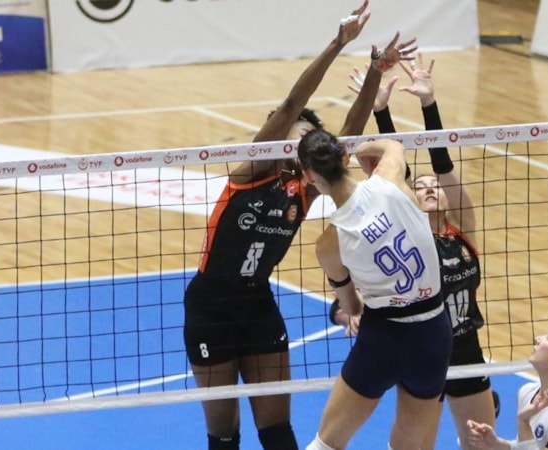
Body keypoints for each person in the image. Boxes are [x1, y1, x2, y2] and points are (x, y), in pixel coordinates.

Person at [182, 3, 410, 449]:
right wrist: (337, 43)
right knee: (224, 434)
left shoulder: (305, 188)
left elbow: (349, 130)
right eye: (290, 130)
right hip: (210, 308)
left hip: (257, 305)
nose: (294, 135)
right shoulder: (251, 172)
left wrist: (374, 71)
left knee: (277, 431)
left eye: (304, 135)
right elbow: (291, 105)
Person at [337, 54, 499, 449]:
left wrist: (429, 102)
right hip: (425, 346)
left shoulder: (462, 231)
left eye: (434, 186)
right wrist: (381, 112)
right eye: (420, 186)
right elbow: (396, 175)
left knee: (482, 443)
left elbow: (443, 166)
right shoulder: (407, 234)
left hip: (466, 347)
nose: (428, 188)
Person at [298, 133, 452, 450]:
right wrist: (360, 151)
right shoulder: (390, 177)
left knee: (326, 444)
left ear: (309, 176)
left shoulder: (328, 245)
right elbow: (393, 145)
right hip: (433, 334)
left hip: (383, 339)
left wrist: (359, 300)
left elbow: (353, 307)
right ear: (343, 157)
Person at [466, 325, 548, 450]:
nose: (537, 338)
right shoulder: (527, 391)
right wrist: (497, 444)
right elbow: (524, 445)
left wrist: (523, 421)